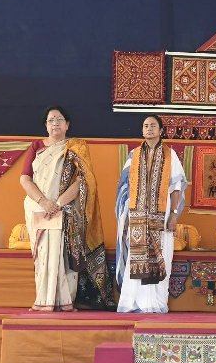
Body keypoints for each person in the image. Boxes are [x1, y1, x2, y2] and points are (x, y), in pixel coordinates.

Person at [20, 106, 115, 311]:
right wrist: (44, 202)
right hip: (38, 208)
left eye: (59, 119)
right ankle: (43, 299)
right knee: (43, 254)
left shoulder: (76, 148)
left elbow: (83, 182)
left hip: (65, 210)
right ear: (46, 125)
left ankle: (64, 301)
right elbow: (25, 179)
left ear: (67, 125)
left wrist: (58, 204)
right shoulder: (36, 147)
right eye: (50, 120)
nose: (55, 123)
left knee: (62, 253)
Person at [115, 114, 187, 313]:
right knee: (136, 259)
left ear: (161, 130)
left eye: (153, 125)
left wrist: (174, 214)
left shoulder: (170, 155)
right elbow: (124, 188)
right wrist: (125, 216)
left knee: (162, 256)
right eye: (146, 125)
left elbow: (176, 188)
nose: (149, 128)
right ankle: (133, 303)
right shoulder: (133, 155)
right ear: (142, 130)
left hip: (162, 218)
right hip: (137, 217)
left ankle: (155, 304)